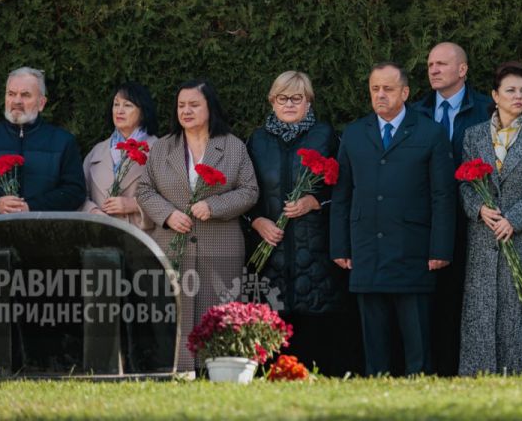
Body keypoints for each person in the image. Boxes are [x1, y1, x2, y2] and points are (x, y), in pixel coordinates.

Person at [330, 62, 455, 376]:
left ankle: (420, 390)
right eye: (375, 89)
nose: (380, 95)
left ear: (405, 92)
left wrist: (440, 248)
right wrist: (339, 246)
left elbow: (443, 195)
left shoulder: (430, 132)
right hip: (366, 249)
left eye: (387, 88)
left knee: (418, 343)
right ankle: (377, 391)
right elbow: (342, 194)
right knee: (374, 342)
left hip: (413, 250)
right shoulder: (355, 133)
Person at [137, 79, 259, 372]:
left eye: (194, 105)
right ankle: (175, 371)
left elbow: (250, 191)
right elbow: (144, 190)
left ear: (210, 108)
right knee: (171, 312)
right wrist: (166, 214)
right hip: (171, 246)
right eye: (181, 105)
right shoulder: (163, 147)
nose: (186, 111)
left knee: (217, 312)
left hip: (219, 246)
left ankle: (218, 372)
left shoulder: (233, 147)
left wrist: (214, 206)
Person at [246, 71, 354, 376]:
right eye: (283, 98)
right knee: (274, 338)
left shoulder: (325, 136)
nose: (290, 104)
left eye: (298, 98)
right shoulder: (256, 141)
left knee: (317, 338)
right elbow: (246, 191)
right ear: (272, 101)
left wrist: (314, 202)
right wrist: (257, 222)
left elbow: (344, 187)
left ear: (309, 102)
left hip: (316, 253)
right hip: (270, 255)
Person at [458, 61, 522, 375]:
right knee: (481, 316)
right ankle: (477, 381)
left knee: (520, 319)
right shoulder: (473, 136)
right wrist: (478, 207)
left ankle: (521, 379)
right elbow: (463, 182)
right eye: (511, 90)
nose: (519, 96)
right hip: (483, 240)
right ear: (495, 95)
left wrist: (513, 219)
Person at [413, 41, 491, 375]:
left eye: (442, 64)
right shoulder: (415, 113)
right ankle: (431, 369)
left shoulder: (488, 110)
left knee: (469, 301)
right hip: (425, 223)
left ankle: (466, 369)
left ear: (463, 70)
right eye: (430, 64)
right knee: (429, 301)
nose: (433, 69)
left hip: (473, 221)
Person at [0, 66, 86, 219]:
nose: (17, 101)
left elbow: (75, 191)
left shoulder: (63, 141)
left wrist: (31, 207)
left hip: (46, 234)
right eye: (11, 94)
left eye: (25, 95)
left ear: (41, 103)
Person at [80, 83, 159, 230]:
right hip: (101, 238)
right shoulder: (97, 151)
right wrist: (93, 211)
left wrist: (134, 205)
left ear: (143, 112)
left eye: (127, 105)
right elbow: (78, 194)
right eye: (116, 104)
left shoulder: (159, 149)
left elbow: (172, 199)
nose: (119, 111)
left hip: (143, 239)